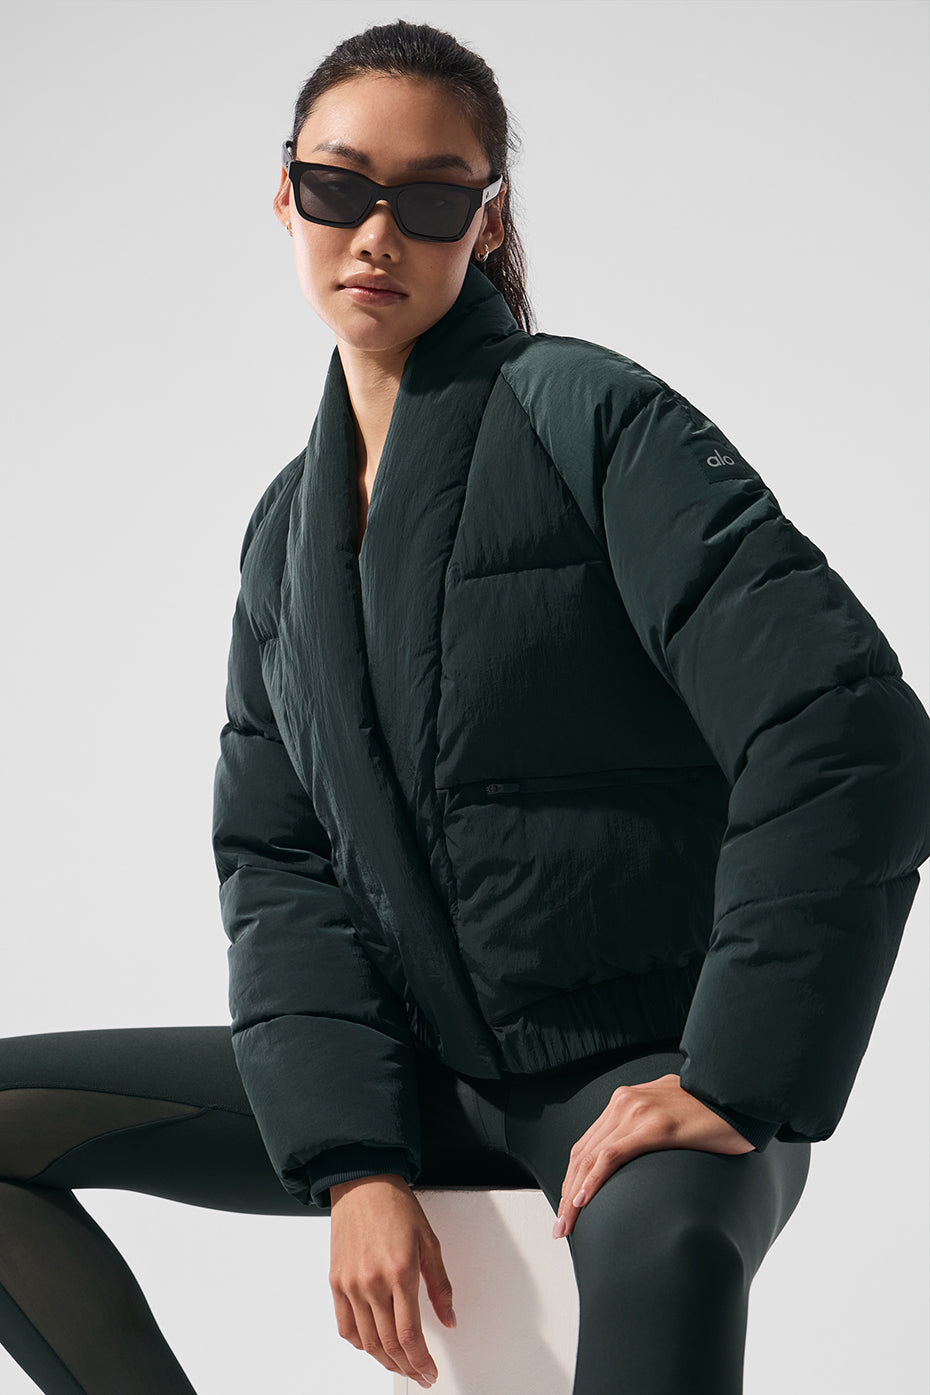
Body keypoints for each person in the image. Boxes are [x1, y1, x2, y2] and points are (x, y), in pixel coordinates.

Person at [1, 17, 928, 1395]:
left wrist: (733, 1074)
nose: (377, 234)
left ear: (484, 223)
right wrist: (355, 1162)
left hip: (646, 1061)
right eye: (338, 187)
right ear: (285, 195)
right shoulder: (284, 533)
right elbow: (280, 866)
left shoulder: (591, 418)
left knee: (670, 1252)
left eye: (431, 198)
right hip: (427, 1073)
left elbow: (842, 729)